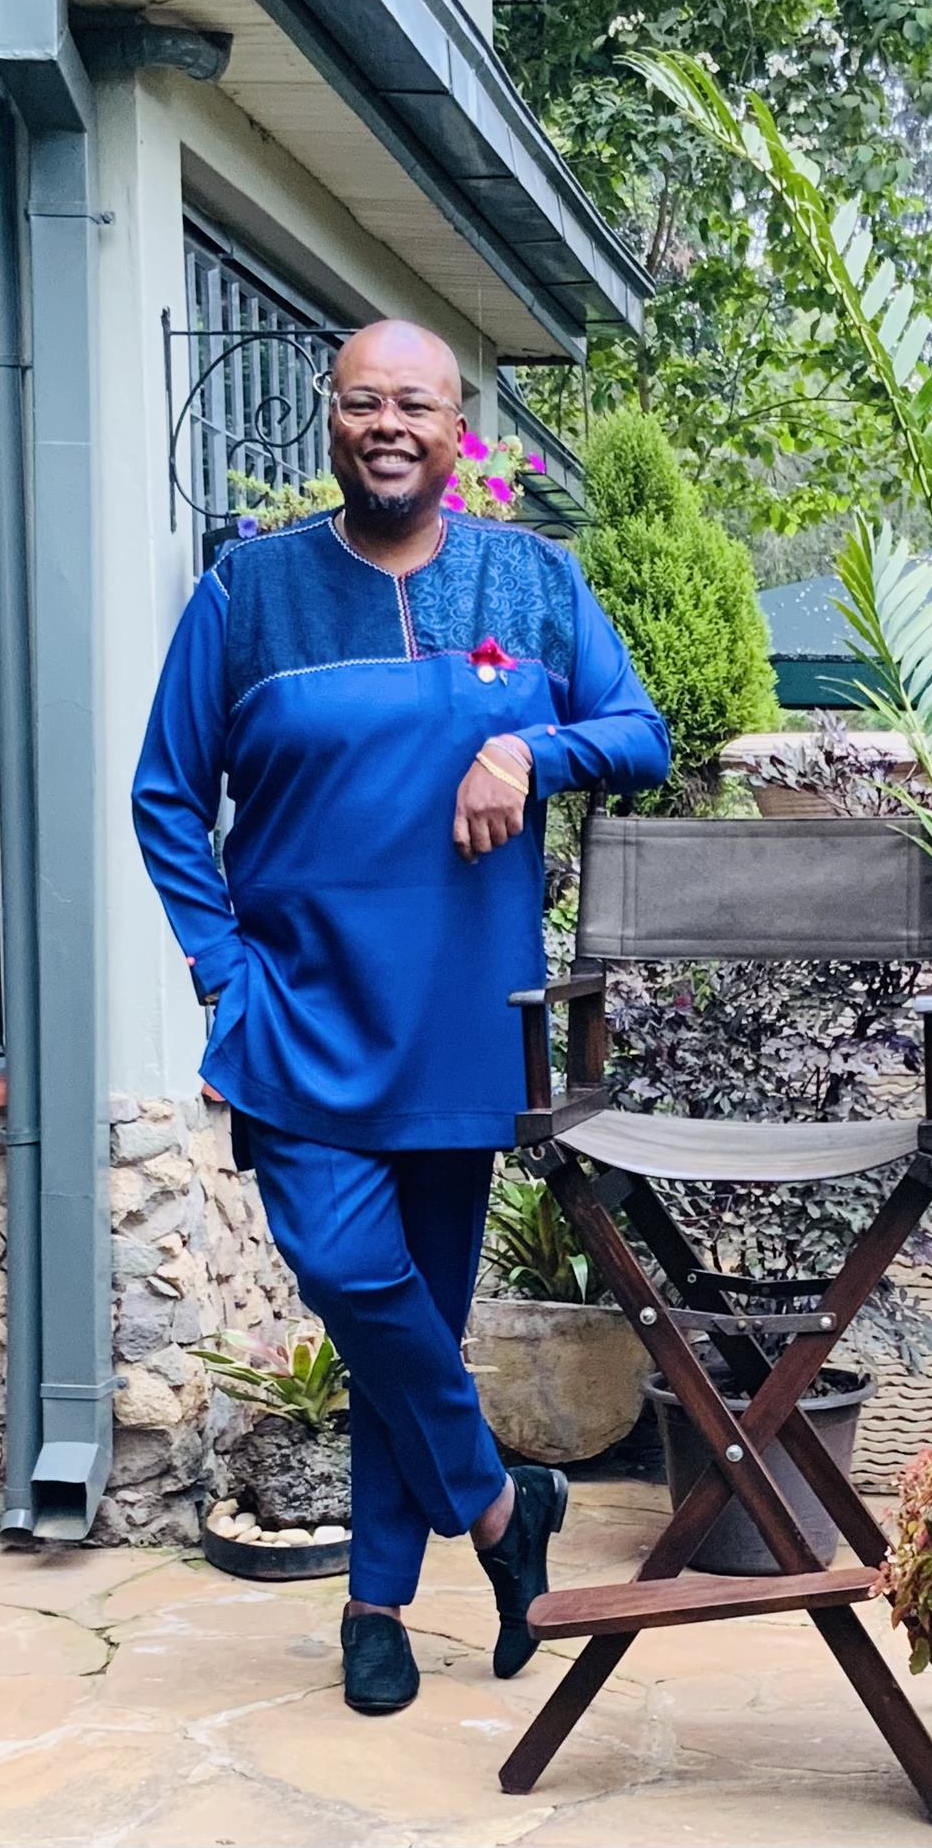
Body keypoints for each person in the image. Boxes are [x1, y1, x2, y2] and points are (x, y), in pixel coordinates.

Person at [133, 320, 670, 1714]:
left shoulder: (533, 582)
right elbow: (166, 795)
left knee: (412, 1315)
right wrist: (222, 969)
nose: (389, 424)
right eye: (364, 401)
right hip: (297, 1017)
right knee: (347, 1272)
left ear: (455, 426)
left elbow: (641, 734)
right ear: (331, 417)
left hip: (460, 1022)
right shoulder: (247, 593)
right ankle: (500, 1508)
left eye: (415, 405)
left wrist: (527, 746)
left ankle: (375, 1605)